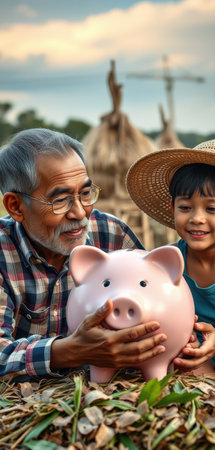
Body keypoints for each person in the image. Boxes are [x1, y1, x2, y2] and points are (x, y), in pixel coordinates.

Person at [0, 128, 167, 380]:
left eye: (86, 193)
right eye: (60, 200)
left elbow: (158, 300)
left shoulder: (112, 235)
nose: (79, 213)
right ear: (16, 206)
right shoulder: (3, 252)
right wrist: (69, 352)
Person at [126, 139, 215, 381]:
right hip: (197, 356)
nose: (196, 218)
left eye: (211, 209)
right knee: (190, 379)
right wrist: (182, 340)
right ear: (173, 207)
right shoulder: (168, 261)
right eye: (186, 207)